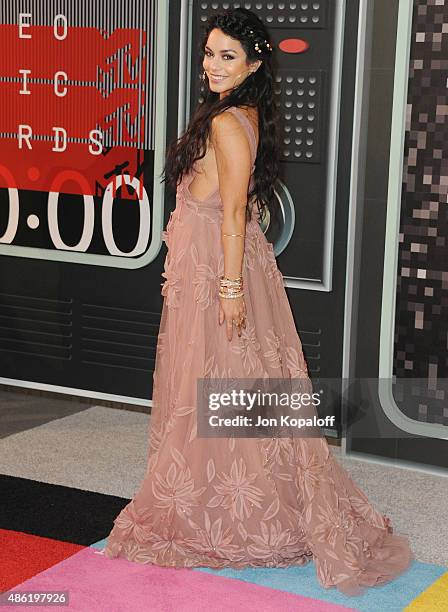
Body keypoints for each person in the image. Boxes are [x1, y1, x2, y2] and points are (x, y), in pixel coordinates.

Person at [103, 8, 412, 596]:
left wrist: (228, 287)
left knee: (217, 381)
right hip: (216, 263)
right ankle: (234, 493)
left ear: (254, 64)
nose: (212, 66)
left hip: (217, 268)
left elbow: (236, 211)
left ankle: (232, 511)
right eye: (209, 53)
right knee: (233, 384)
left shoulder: (226, 123)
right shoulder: (237, 113)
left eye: (227, 57)